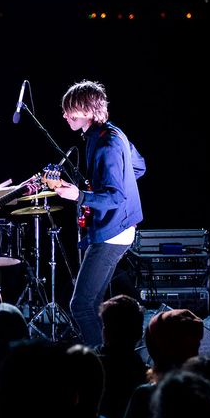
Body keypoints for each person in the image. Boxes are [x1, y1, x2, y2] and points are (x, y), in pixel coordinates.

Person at [51, 80, 145, 345]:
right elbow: (139, 167)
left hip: (112, 233)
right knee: (93, 305)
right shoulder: (109, 134)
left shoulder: (107, 144)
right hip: (117, 229)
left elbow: (116, 195)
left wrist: (81, 196)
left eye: (71, 110)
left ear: (89, 110)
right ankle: (109, 358)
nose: (65, 115)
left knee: (80, 306)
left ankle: (103, 363)